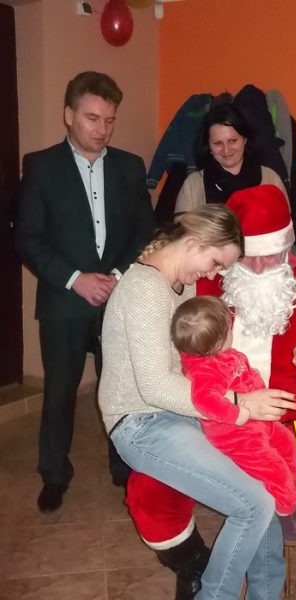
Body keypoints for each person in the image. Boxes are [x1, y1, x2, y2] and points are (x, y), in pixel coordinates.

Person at [125, 184, 296, 600]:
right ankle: (194, 565)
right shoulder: (206, 281)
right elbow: (168, 357)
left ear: (287, 247)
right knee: (150, 486)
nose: (259, 267)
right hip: (214, 418)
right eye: (250, 256)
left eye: (271, 256)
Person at [98, 203, 296, 600]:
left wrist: (232, 384)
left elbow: (192, 365)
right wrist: (240, 402)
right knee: (253, 505)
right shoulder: (144, 288)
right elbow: (155, 387)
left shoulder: (179, 283)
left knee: (263, 485)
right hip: (140, 423)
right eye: (214, 263)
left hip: (179, 414)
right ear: (194, 242)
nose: (212, 275)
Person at [15, 71, 156, 513]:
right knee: (60, 391)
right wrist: (77, 278)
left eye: (109, 120)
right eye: (92, 118)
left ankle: (125, 467)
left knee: (122, 388)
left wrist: (115, 274)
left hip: (118, 295)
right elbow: (28, 238)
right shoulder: (41, 166)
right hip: (64, 300)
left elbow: (144, 231)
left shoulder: (130, 166)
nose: (102, 129)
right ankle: (54, 474)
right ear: (68, 115)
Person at [171, 295, 296, 541]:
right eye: (228, 330)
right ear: (217, 342)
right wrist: (237, 413)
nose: (232, 331)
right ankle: (287, 518)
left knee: (289, 446)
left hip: (259, 423)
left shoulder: (223, 355)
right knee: (274, 470)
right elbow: (204, 401)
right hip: (237, 437)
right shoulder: (204, 371)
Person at [173, 102, 289, 217]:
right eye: (218, 143)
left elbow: (287, 225)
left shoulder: (270, 179)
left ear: (245, 139)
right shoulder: (192, 185)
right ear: (208, 146)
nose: (226, 150)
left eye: (232, 141)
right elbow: (182, 228)